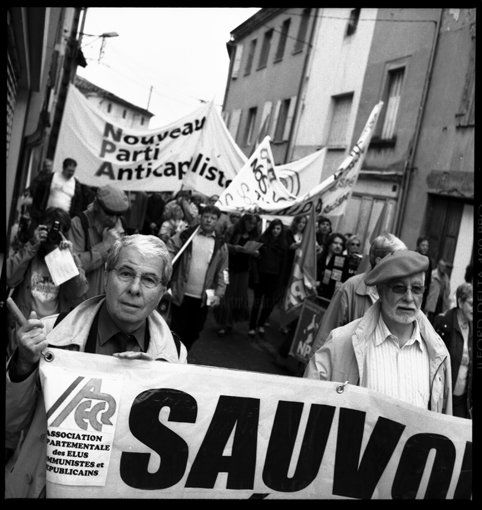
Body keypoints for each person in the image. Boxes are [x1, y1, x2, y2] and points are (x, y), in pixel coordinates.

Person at [5, 234, 187, 498]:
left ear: (162, 291)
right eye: (125, 273)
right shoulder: (48, 335)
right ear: (106, 274)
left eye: (149, 279)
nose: (135, 289)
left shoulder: (176, 355)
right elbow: (10, 424)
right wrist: (22, 365)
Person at [305, 250, 453, 415]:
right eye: (399, 288)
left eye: (417, 289)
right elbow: (307, 410)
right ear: (380, 291)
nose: (409, 298)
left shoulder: (438, 354)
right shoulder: (341, 343)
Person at [310, 233, 407, 354]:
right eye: (398, 261)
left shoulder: (404, 292)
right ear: (380, 261)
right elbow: (325, 334)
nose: (403, 267)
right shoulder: (351, 287)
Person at [167, 205, 229, 352]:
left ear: (217, 221)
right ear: (200, 217)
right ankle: (173, 356)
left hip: (202, 299)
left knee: (194, 331)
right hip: (180, 294)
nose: (208, 221)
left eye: (213, 218)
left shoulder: (221, 244)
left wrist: (219, 294)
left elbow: (223, 271)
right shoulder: (186, 235)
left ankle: (184, 353)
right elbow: (170, 248)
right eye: (206, 217)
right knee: (176, 329)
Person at [68, 184, 129, 299]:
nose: (114, 220)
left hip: (107, 301)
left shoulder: (120, 226)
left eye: (118, 215)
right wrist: (105, 246)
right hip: (83, 302)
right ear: (96, 205)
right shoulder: (78, 224)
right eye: (109, 213)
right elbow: (74, 267)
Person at [215, 213, 261, 336]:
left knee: (239, 296)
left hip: (244, 270)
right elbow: (222, 245)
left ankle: (230, 322)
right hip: (229, 268)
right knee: (226, 295)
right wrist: (235, 248)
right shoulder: (233, 230)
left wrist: (255, 253)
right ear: (244, 221)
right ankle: (224, 323)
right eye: (249, 223)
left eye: (254, 224)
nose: (251, 226)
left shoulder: (255, 235)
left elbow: (257, 251)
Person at [434, 282, 472, 418]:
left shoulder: (473, 328)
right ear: (460, 303)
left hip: (462, 400)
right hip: (442, 398)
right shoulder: (444, 323)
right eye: (472, 304)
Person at [248, 219, 289, 337]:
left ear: (281, 230)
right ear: (270, 228)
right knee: (257, 302)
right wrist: (255, 275)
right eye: (274, 228)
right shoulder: (263, 239)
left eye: (278, 229)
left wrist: (280, 280)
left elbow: (284, 264)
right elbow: (255, 258)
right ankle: (252, 326)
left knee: (268, 304)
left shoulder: (283, 244)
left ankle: (260, 324)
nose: (275, 231)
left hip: (274, 278)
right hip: (261, 275)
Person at [30, 157, 94, 225]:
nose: (71, 173)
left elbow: (78, 203)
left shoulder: (76, 185)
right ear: (64, 168)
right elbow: (38, 195)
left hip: (64, 219)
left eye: (73, 171)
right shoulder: (51, 178)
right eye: (69, 170)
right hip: (47, 216)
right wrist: (37, 213)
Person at [316, 232, 347, 302]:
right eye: (335, 243)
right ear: (329, 244)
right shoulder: (319, 257)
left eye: (341, 244)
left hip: (331, 298)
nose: (338, 246)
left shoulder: (345, 262)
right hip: (315, 293)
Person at [425, 258, 451, 323]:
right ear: (438, 265)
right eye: (442, 266)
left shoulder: (446, 277)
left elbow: (448, 292)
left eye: (445, 267)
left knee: (437, 323)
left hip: (441, 305)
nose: (444, 268)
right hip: (432, 304)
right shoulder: (432, 275)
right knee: (428, 322)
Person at [415, 236, 432, 310]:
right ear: (418, 246)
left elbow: (429, 277)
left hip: (423, 290)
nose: (425, 247)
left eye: (427, 246)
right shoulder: (413, 256)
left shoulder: (428, 260)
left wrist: (426, 288)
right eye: (423, 245)